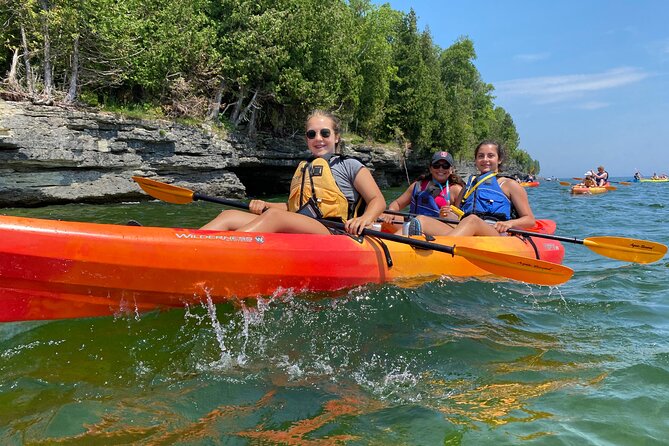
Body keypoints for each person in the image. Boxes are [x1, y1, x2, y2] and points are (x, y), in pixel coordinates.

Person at [200, 110, 386, 235]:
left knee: (274, 217)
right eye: (311, 134)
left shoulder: (350, 165)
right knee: (229, 216)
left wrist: (365, 219)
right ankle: (187, 244)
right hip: (301, 226)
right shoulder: (305, 168)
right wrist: (265, 204)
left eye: (325, 133)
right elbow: (293, 208)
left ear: (336, 137)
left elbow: (377, 200)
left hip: (334, 231)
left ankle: (223, 248)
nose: (318, 139)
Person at [425, 140, 536, 237]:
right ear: (476, 160)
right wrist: (448, 214)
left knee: (472, 220)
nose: (485, 159)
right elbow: (458, 216)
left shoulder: (509, 185)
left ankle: (443, 248)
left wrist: (509, 223)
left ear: (499, 159)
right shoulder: (467, 187)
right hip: (468, 232)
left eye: (490, 156)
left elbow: (530, 220)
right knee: (423, 220)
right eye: (481, 156)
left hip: (495, 234)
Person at [380, 151, 464, 235]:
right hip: (414, 225)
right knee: (382, 215)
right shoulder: (418, 186)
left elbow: (463, 221)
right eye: (436, 165)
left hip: (438, 232)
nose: (440, 169)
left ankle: (391, 244)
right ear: (430, 168)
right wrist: (391, 211)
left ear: (451, 169)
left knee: (419, 221)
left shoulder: (456, 190)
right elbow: (397, 204)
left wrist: (452, 216)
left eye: (445, 166)